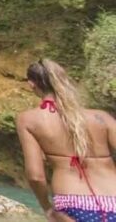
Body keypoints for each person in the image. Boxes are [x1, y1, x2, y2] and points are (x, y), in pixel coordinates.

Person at [16, 59, 116, 222]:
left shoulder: (29, 120)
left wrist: (47, 208)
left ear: (31, 84)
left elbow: (36, 176)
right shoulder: (101, 117)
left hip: (73, 203)